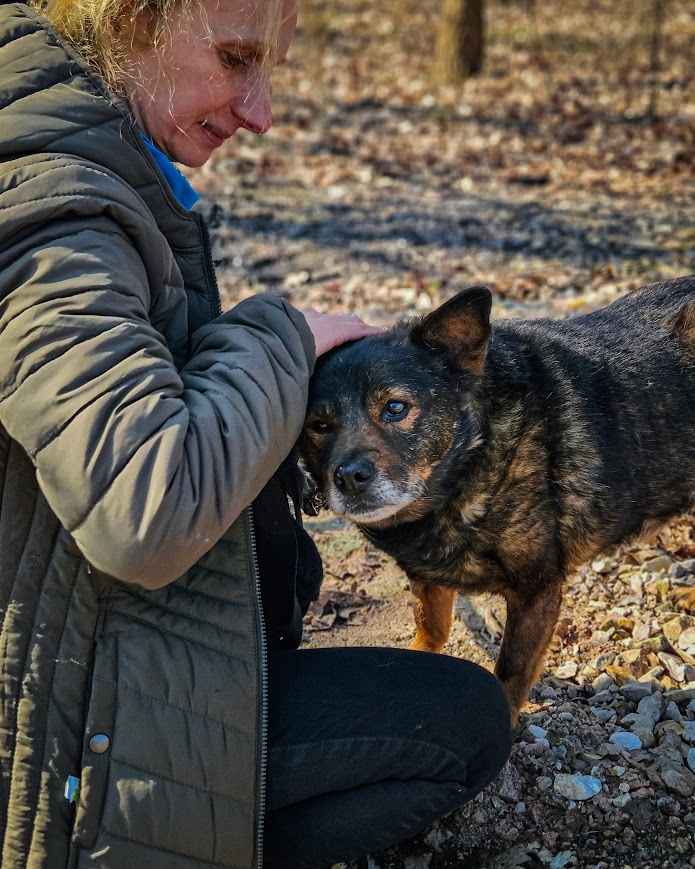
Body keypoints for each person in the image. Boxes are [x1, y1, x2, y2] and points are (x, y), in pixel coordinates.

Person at [0, 1, 512, 867]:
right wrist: (280, 338)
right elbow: (142, 512)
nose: (260, 111)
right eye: (236, 59)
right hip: (46, 747)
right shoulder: (62, 221)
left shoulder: (70, 156)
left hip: (66, 656)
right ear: (128, 19)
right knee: (460, 722)